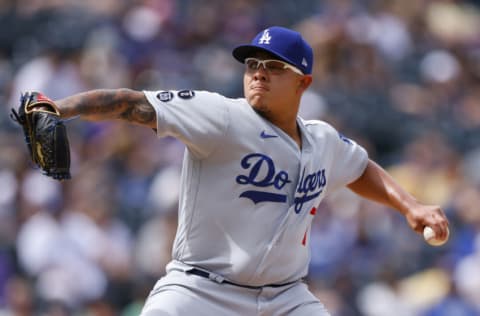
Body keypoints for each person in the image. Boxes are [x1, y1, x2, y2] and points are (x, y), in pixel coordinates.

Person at [36, 26, 449, 315]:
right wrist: (61, 108)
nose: (258, 73)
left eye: (273, 67)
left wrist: (410, 206)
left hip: (286, 299)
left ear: (303, 82)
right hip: (200, 290)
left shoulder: (322, 140)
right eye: (253, 63)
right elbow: (133, 104)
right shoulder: (221, 117)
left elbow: (360, 168)